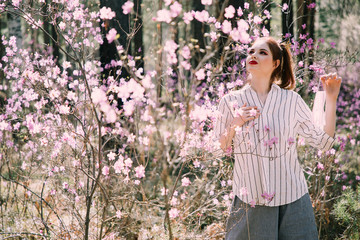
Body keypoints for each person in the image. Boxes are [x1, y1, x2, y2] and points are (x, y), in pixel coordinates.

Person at [214, 37, 342, 240]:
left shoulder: (291, 101)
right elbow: (219, 147)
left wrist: (331, 98)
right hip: (251, 201)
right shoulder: (230, 101)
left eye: (263, 52)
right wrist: (236, 122)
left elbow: (323, 142)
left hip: (293, 199)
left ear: (276, 63)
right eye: (251, 52)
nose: (253, 55)